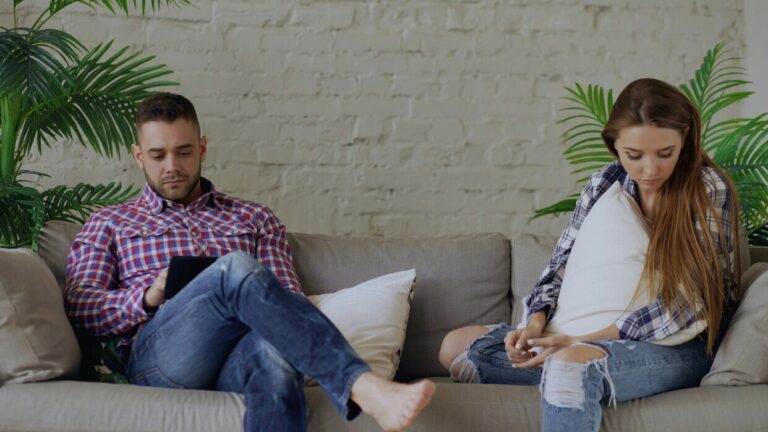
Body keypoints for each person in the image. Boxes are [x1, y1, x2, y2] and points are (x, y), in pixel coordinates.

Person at [64, 93, 435, 432]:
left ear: (203, 148)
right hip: (162, 359)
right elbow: (81, 306)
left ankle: (358, 384)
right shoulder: (111, 223)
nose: (172, 166)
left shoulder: (254, 218)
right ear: (138, 155)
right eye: (158, 155)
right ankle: (362, 385)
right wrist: (148, 295)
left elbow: (287, 298)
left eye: (184, 151)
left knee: (275, 349)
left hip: (239, 357)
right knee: (233, 267)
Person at [438, 78, 740, 432]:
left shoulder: (706, 188)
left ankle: (574, 373)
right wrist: (534, 326)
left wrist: (586, 341)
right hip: (586, 339)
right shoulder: (603, 185)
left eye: (665, 153)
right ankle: (578, 374)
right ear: (614, 145)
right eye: (634, 155)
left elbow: (695, 302)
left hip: (679, 345)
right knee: (455, 347)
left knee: (570, 365)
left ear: (685, 139)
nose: (650, 170)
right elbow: (558, 266)